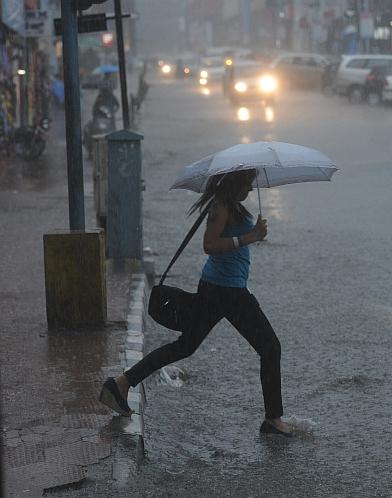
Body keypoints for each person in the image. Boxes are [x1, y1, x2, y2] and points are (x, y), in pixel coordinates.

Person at [99, 170, 294, 438]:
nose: (250, 189)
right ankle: (273, 420)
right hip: (226, 292)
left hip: (224, 289)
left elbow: (230, 243)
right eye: (247, 183)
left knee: (186, 346)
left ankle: (121, 384)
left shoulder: (232, 206)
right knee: (270, 347)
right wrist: (249, 237)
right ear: (236, 183)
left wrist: (252, 235)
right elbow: (209, 245)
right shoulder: (221, 206)